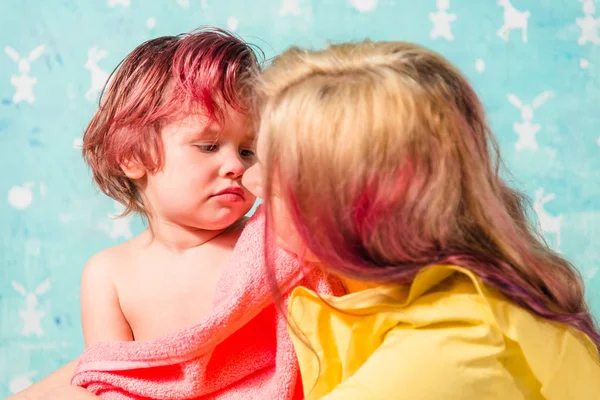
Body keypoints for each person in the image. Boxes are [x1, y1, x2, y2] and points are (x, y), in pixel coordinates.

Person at [243, 39, 600, 399]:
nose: (249, 181)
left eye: (275, 171)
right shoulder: (449, 297)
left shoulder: (447, 354)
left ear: (360, 203)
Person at [9, 27, 260, 399]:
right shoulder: (109, 274)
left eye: (247, 151)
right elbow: (112, 381)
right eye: (208, 146)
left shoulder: (262, 241)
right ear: (134, 157)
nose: (234, 165)